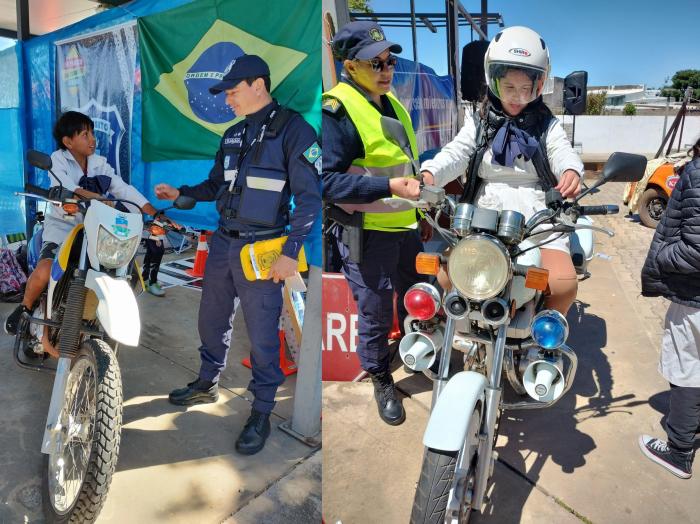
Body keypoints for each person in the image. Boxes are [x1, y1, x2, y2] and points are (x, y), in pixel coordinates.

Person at [155, 54, 321, 455]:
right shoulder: (231, 135)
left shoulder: (294, 131)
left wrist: (289, 252)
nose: (228, 99)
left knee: (263, 335)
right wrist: (184, 195)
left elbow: (311, 199)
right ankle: (207, 382)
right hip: (223, 243)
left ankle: (262, 410)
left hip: (263, 249)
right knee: (211, 318)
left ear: (257, 85)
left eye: (233, 91)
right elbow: (216, 185)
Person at [421, 26, 583, 315]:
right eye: (509, 87)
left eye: (526, 89)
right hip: (486, 210)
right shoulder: (478, 121)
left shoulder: (549, 125)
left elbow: (562, 152)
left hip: (538, 212)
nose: (517, 97)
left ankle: (546, 343)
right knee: (448, 273)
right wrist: (431, 174)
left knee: (562, 284)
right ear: (492, 81)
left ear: (539, 85)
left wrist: (570, 171)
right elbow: (456, 153)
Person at [323, 21, 429, 426]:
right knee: (374, 313)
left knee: (416, 298)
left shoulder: (390, 102)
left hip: (404, 229)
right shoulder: (336, 110)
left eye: (390, 61)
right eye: (375, 63)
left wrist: (419, 215)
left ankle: (415, 350)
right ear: (350, 67)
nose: (387, 70)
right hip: (367, 234)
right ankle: (381, 378)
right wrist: (389, 185)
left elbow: (409, 164)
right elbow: (325, 181)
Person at [4, 111, 164, 340]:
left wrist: (153, 213)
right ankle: (25, 309)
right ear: (68, 141)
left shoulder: (100, 164)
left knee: (121, 271)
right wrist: (97, 197)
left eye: (92, 133)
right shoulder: (58, 159)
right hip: (62, 226)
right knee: (45, 269)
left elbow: (124, 189)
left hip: (94, 226)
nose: (92, 139)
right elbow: (69, 187)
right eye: (85, 134)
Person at [639, 137, 700, 479]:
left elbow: (696, 250)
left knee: (687, 370)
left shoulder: (698, 172)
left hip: (693, 298)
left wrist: (661, 258)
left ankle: (679, 451)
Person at [141, 229, 166, 297]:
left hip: (155, 230)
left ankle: (146, 279)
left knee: (151, 252)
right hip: (152, 230)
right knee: (156, 252)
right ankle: (151, 282)